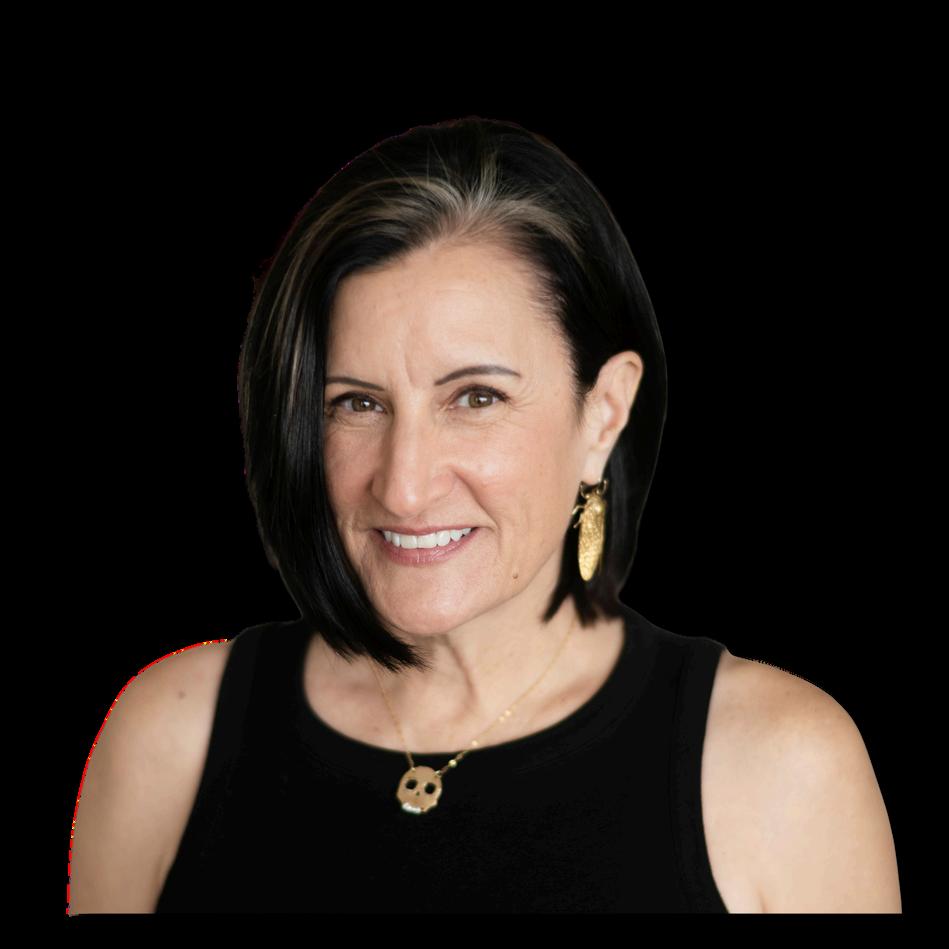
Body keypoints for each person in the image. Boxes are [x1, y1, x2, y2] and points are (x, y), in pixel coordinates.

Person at [69, 115, 901, 914]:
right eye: (357, 402)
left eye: (475, 397)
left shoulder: (780, 769)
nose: (403, 487)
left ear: (603, 414)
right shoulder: (169, 737)